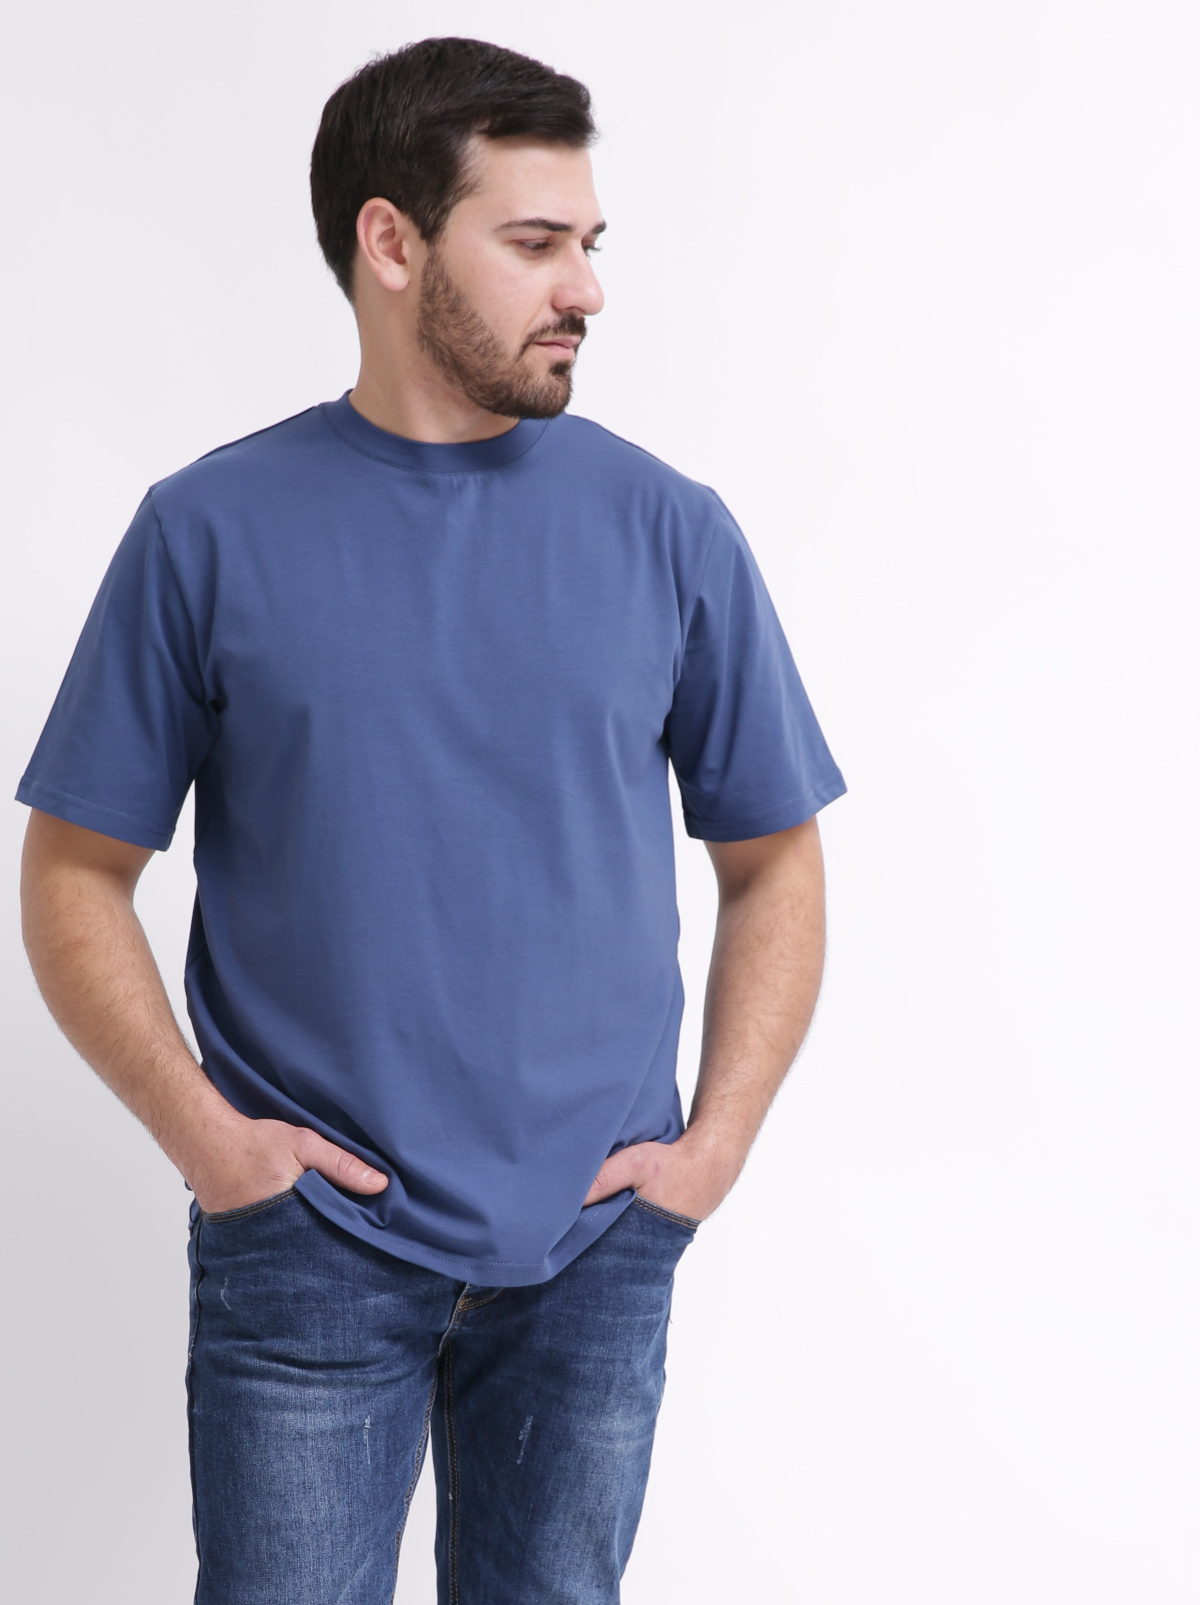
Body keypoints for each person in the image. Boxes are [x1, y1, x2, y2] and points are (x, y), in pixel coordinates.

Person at [17, 35, 845, 1605]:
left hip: (596, 1246)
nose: (585, 288)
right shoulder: (207, 531)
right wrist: (210, 1141)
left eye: (588, 242)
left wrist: (713, 1146)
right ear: (390, 243)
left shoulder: (671, 529)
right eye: (534, 243)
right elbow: (72, 869)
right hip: (307, 1250)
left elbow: (773, 856)